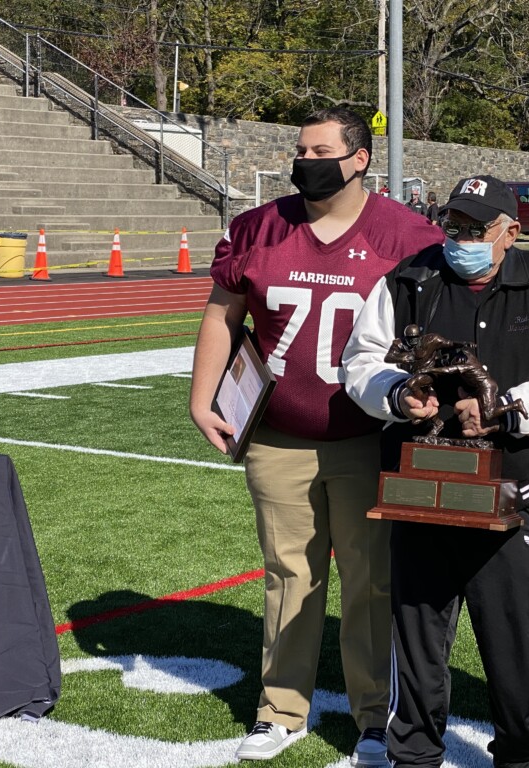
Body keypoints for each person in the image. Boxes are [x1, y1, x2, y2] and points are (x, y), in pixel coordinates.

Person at [189, 107, 444, 764]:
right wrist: (201, 396)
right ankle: (280, 710)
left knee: (370, 580)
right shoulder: (259, 228)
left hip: (369, 435)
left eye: (321, 149)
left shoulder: (406, 234)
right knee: (286, 574)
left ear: (360, 158)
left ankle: (371, 716)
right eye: (300, 149)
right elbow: (224, 312)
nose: (306, 160)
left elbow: (432, 328)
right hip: (278, 434)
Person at [342, 174, 529, 768]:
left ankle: (519, 753)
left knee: (511, 633)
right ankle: (413, 753)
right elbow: (360, 360)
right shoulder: (409, 278)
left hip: (514, 485)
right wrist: (396, 393)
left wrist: (506, 408)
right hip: (420, 483)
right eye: (452, 223)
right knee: (416, 630)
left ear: (511, 231)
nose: (458, 237)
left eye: (474, 227)